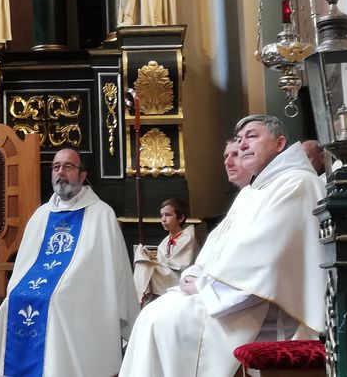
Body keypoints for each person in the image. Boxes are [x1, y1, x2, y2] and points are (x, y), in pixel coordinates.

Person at [119, 115, 325, 377]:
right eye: (240, 139)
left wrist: (205, 286)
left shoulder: (296, 183)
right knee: (152, 315)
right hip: (229, 295)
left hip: (261, 307)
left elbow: (264, 256)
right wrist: (195, 274)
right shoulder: (252, 191)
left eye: (252, 136)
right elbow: (218, 243)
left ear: (280, 143)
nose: (242, 145)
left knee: (161, 321)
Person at [0, 148, 140, 377]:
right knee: (15, 296)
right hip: (44, 288)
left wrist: (67, 284)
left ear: (82, 176)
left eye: (68, 167)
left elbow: (109, 271)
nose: (61, 172)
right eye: (56, 167)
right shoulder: (41, 214)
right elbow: (26, 262)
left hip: (84, 294)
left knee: (57, 299)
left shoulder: (102, 214)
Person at [132, 198, 199, 305]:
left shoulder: (188, 239)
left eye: (168, 215)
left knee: (144, 265)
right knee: (142, 259)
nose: (163, 219)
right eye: (162, 215)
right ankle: (141, 297)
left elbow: (181, 266)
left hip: (179, 279)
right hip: (165, 275)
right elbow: (162, 261)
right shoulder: (165, 241)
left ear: (181, 218)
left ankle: (138, 299)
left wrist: (153, 262)